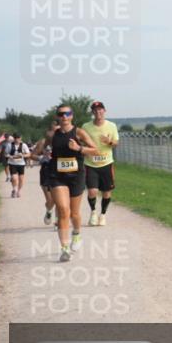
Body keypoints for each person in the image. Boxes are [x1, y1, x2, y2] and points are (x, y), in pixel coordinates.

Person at [45, 105, 99, 261]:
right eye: (61, 114)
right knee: (63, 209)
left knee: (74, 213)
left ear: (72, 116)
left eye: (67, 113)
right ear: (57, 116)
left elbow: (95, 150)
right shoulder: (52, 134)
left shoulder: (79, 132)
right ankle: (64, 248)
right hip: (57, 175)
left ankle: (76, 233)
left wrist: (78, 148)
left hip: (76, 176)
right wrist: (45, 154)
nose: (64, 116)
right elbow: (44, 148)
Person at [81, 100, 119, 226]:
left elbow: (116, 143)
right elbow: (81, 142)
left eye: (100, 109)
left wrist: (109, 141)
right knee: (92, 191)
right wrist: (85, 150)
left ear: (104, 111)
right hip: (90, 164)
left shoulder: (111, 126)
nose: (98, 112)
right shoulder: (86, 126)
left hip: (106, 163)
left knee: (106, 192)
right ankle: (93, 212)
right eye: (95, 110)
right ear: (92, 112)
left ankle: (103, 214)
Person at [33, 122, 59, 225]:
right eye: (53, 131)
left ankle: (58, 221)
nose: (55, 133)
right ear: (49, 132)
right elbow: (32, 155)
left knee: (59, 198)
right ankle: (49, 211)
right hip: (46, 170)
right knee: (50, 200)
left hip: (59, 170)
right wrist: (42, 157)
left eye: (57, 130)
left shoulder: (64, 141)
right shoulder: (43, 142)